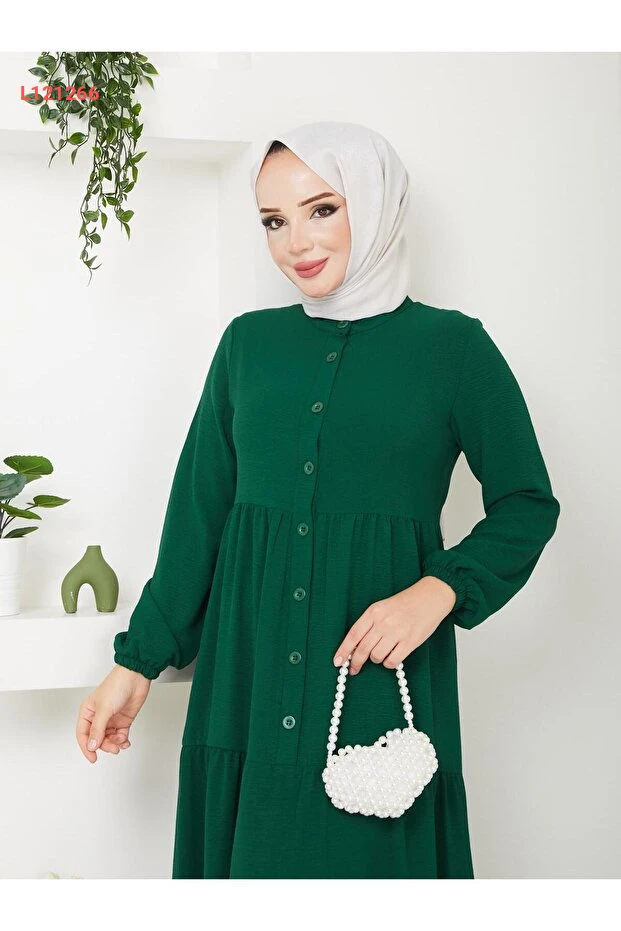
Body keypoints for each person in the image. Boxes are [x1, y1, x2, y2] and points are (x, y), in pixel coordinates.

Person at [76, 120, 561, 879]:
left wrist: (438, 591)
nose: (294, 242)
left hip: (374, 690)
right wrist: (135, 664)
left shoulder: (453, 349)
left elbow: (527, 502)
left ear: (375, 203)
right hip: (246, 684)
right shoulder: (247, 346)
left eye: (321, 209)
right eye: (273, 221)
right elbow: (199, 517)